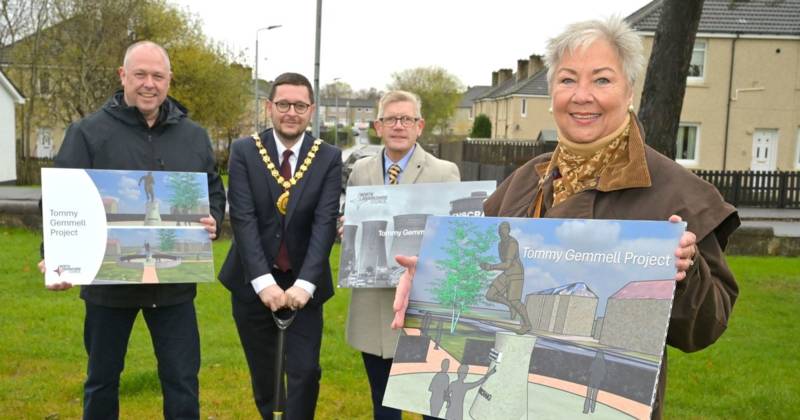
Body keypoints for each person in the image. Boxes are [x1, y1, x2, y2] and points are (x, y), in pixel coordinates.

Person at [392, 17, 739, 420]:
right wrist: (432, 276)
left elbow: (706, 328)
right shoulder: (525, 180)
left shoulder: (678, 193)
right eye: (567, 80)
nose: (582, 96)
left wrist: (686, 273)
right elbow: (486, 275)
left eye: (602, 80)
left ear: (629, 90)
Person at [39, 40, 226, 419]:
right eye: (140, 74)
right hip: (108, 289)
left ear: (169, 80)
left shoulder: (194, 137)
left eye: (157, 76)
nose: (149, 84)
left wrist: (214, 221)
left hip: (174, 290)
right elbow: (59, 200)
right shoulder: (88, 132)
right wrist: (54, 257)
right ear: (123, 76)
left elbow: (213, 191)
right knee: (102, 381)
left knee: (183, 382)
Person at [218, 72, 341, 420]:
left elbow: (324, 221)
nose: (291, 112)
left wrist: (304, 284)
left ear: (311, 110)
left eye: (300, 105)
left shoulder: (328, 156)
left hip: (306, 283)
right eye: (283, 104)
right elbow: (242, 218)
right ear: (269, 107)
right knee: (265, 374)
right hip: (252, 282)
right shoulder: (244, 151)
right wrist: (262, 282)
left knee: (304, 372)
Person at [344, 90, 460, 420]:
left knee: (432, 403)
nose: (399, 125)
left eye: (406, 119)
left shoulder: (444, 172)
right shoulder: (361, 171)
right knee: (383, 405)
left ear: (419, 126)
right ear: (378, 126)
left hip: (422, 303)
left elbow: (454, 237)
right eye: (391, 119)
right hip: (373, 306)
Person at [480, 221, 533, 334]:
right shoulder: (500, 244)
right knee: (490, 295)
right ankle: (510, 306)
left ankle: (527, 325)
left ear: (508, 230)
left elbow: (507, 264)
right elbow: (504, 263)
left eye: (505, 229)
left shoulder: (512, 243)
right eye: (501, 230)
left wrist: (490, 267)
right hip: (507, 272)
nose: (503, 232)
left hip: (516, 273)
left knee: (514, 300)